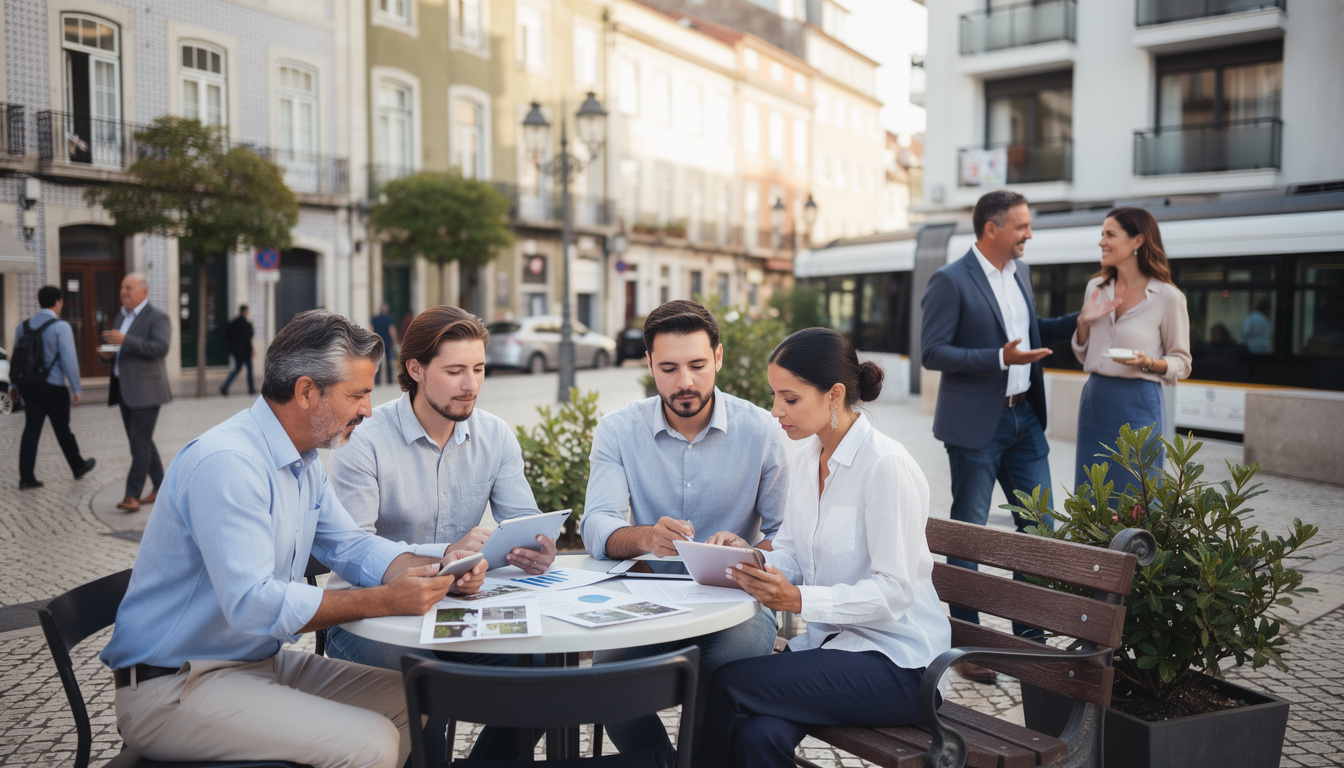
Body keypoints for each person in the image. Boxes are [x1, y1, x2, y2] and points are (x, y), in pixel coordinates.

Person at [99, 309, 488, 768]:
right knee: (369, 743)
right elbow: (252, 605)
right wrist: (384, 600)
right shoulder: (229, 462)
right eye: (357, 394)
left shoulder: (301, 460)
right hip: (173, 685)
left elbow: (352, 546)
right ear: (306, 391)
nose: (367, 410)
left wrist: (440, 566)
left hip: (254, 665)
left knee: (420, 696)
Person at [701, 328, 951, 768]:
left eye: (790, 398)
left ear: (834, 394)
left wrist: (798, 600)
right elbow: (794, 552)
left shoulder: (885, 466)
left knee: (728, 680)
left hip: (902, 665)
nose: (776, 411)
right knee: (758, 734)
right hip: (835, 648)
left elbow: (895, 591)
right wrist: (750, 559)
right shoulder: (806, 458)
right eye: (774, 396)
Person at [326, 305, 557, 761]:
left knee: (546, 675)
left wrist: (535, 548)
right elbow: (352, 551)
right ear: (416, 369)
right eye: (455, 371)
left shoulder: (495, 435)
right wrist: (446, 555)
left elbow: (522, 523)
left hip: (459, 613)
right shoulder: (364, 438)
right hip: (368, 616)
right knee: (424, 687)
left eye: (478, 369)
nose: (471, 385)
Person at [581, 298, 791, 763]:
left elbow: (788, 536)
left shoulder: (763, 431)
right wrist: (644, 537)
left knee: (720, 678)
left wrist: (749, 550)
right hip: (644, 598)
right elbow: (596, 523)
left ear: (718, 358)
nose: (685, 382)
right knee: (607, 682)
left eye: (697, 365)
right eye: (669, 368)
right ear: (649, 365)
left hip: (737, 602)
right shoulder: (618, 430)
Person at [919, 189, 1078, 682]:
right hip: (976, 426)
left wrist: (1082, 321)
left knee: (1040, 529)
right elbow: (932, 351)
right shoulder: (950, 280)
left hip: (1024, 418)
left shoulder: (1021, 273)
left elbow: (1034, 330)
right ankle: (965, 646)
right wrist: (997, 358)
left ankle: (1028, 641)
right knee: (970, 534)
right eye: (1022, 225)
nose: (1030, 233)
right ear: (993, 228)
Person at [1073, 207, 1191, 493]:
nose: (1102, 241)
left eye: (1110, 235)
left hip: (1139, 403)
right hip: (1095, 399)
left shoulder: (1168, 297)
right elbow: (1083, 353)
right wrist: (1083, 322)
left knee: (1137, 491)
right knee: (1091, 491)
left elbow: (1182, 362)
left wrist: (1148, 362)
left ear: (1137, 241)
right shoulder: (1095, 288)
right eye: (1102, 234)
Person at [99, 273, 172, 512]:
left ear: (144, 291)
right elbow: (119, 347)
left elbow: (160, 348)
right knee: (141, 441)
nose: (123, 292)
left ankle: (132, 495)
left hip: (147, 390)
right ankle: (161, 486)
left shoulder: (157, 317)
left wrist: (125, 340)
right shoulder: (121, 316)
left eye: (129, 288)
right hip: (124, 388)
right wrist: (107, 354)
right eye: (122, 287)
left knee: (139, 443)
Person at [16, 285, 96, 490]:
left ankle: (26, 478)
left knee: (31, 430)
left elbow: (17, 359)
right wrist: (77, 389)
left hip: (29, 387)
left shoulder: (23, 327)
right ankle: (78, 466)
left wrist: (14, 385)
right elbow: (69, 360)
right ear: (58, 302)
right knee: (62, 429)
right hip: (53, 388)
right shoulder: (61, 327)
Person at [220, 304, 255, 396]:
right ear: (244, 311)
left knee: (237, 369)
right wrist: (251, 349)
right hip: (245, 351)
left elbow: (228, 334)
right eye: (247, 311)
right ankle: (251, 389)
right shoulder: (245, 323)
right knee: (249, 369)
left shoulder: (233, 322)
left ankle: (225, 386)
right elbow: (247, 337)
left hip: (236, 351)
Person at [370, 303, 400, 385]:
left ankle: (377, 380)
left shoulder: (375, 318)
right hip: (387, 342)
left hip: (378, 342)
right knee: (388, 360)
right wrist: (395, 341)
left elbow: (371, 329)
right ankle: (389, 380)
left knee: (378, 361)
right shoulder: (389, 318)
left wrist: (371, 341)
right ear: (387, 309)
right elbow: (392, 330)